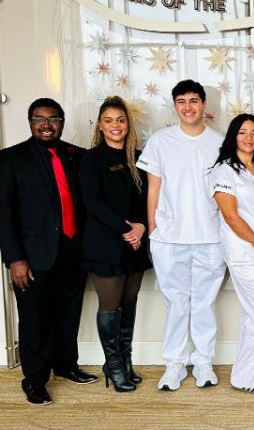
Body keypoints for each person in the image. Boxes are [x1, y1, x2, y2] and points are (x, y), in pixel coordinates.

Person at [0, 98, 97, 405]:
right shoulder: (10, 158)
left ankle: (66, 366)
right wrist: (14, 258)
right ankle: (35, 380)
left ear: (61, 122)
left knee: (68, 314)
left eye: (53, 119)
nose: (46, 124)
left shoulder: (77, 155)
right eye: (38, 119)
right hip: (32, 255)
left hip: (73, 251)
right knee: (35, 320)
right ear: (30, 122)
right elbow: (3, 213)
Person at [138, 80, 226, 390]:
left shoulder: (219, 143)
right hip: (169, 237)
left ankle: (203, 362)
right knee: (175, 304)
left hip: (210, 237)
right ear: (175, 106)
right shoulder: (161, 141)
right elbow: (153, 188)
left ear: (204, 105)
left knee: (203, 304)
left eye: (193, 101)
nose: (188, 107)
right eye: (181, 101)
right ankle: (174, 364)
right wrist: (153, 228)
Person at [79, 96, 152, 392]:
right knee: (110, 306)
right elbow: (92, 202)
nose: (115, 125)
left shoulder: (139, 157)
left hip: (135, 243)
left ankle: (125, 360)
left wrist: (141, 227)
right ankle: (113, 365)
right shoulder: (92, 159)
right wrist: (127, 230)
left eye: (120, 120)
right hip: (105, 245)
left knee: (129, 304)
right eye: (108, 120)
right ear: (100, 125)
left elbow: (150, 198)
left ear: (128, 124)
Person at [210, 114, 254, 394]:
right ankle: (248, 377)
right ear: (233, 136)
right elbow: (230, 216)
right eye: (242, 132)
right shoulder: (224, 171)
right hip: (244, 251)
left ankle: (244, 374)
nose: (248, 138)